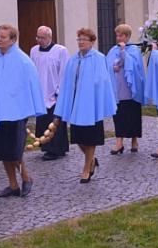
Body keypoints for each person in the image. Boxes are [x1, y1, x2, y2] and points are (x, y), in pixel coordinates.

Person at [0, 24, 45, 197]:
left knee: (15, 151)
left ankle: (26, 178)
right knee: (2, 151)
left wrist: (25, 106)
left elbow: (30, 84)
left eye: (3, 37)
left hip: (16, 113)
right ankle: (13, 185)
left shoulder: (22, 60)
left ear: (12, 40)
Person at [54, 28, 117, 183]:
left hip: (91, 105)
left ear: (92, 42)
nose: (81, 42)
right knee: (78, 138)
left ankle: (86, 168)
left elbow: (102, 82)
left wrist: (94, 98)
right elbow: (67, 82)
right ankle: (92, 160)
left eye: (84, 39)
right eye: (79, 39)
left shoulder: (98, 58)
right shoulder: (73, 59)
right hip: (76, 104)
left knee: (90, 139)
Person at [30, 26, 70, 161]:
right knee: (43, 121)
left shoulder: (60, 51)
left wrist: (59, 91)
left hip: (54, 92)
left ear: (49, 37)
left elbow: (64, 72)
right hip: (40, 91)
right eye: (37, 37)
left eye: (42, 37)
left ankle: (56, 149)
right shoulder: (34, 51)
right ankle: (47, 147)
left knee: (55, 122)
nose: (39, 40)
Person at [105, 23, 145, 153]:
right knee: (119, 115)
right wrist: (113, 67)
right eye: (117, 35)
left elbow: (135, 66)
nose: (118, 38)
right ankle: (119, 142)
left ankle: (134, 140)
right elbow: (108, 64)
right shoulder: (113, 50)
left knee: (133, 114)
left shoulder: (134, 49)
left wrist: (123, 52)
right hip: (118, 89)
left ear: (127, 36)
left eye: (121, 35)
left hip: (130, 90)